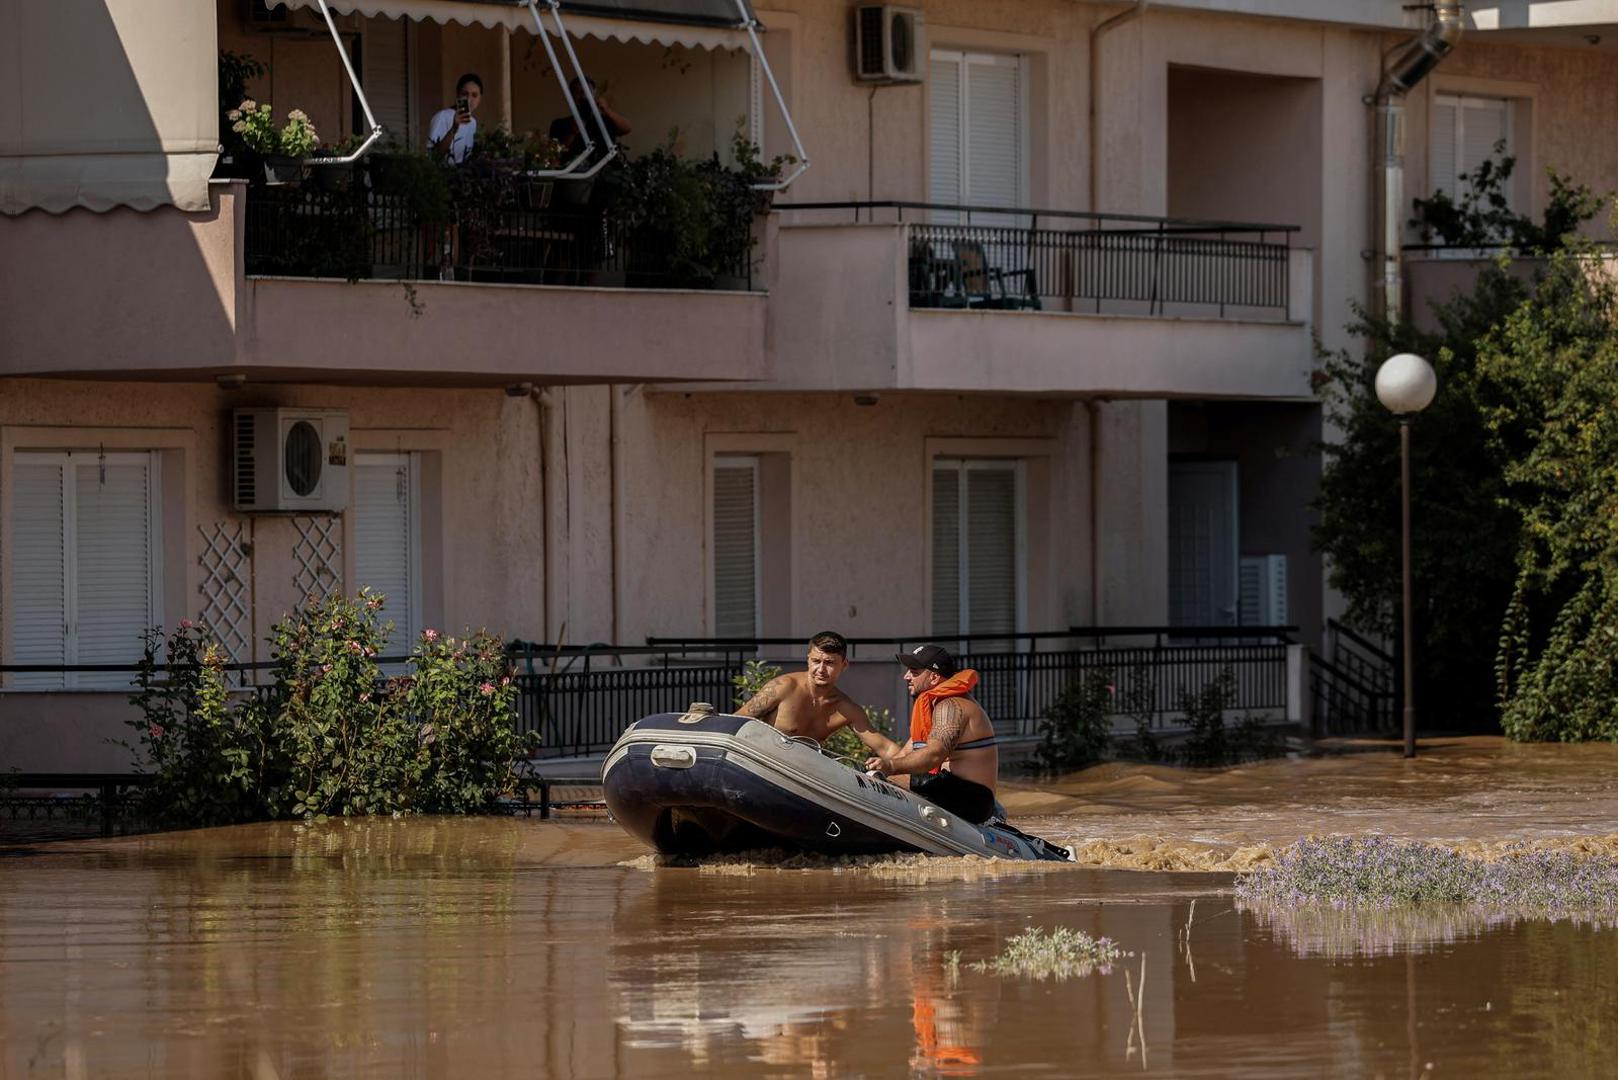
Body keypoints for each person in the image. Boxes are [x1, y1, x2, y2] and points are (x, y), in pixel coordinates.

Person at [864, 644, 999, 824]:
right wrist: (878, 767)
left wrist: (889, 767)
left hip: (972, 799)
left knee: (881, 779)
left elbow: (934, 755)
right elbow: (906, 753)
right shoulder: (934, 708)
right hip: (949, 789)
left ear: (934, 677)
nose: (906, 677)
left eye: (914, 672)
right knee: (877, 775)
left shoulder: (951, 706)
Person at [736, 631, 901, 756]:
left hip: (803, 778)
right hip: (762, 767)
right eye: (816, 661)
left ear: (844, 665)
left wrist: (916, 765)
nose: (821, 670)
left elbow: (886, 748)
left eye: (829, 663)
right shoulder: (783, 687)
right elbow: (735, 721)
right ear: (808, 659)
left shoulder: (846, 708)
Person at [548, 77, 632, 162]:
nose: (583, 95)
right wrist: (572, 133)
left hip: (606, 171)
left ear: (594, 93)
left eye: (587, 91)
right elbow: (555, 155)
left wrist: (607, 110)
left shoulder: (605, 120)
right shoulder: (560, 124)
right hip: (578, 172)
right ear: (572, 97)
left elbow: (627, 128)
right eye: (578, 92)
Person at [427, 73, 483, 164]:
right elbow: (433, 156)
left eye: (474, 95)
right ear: (458, 95)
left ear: (480, 98)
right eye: (465, 94)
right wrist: (454, 128)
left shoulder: (473, 122)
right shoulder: (443, 116)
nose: (469, 99)